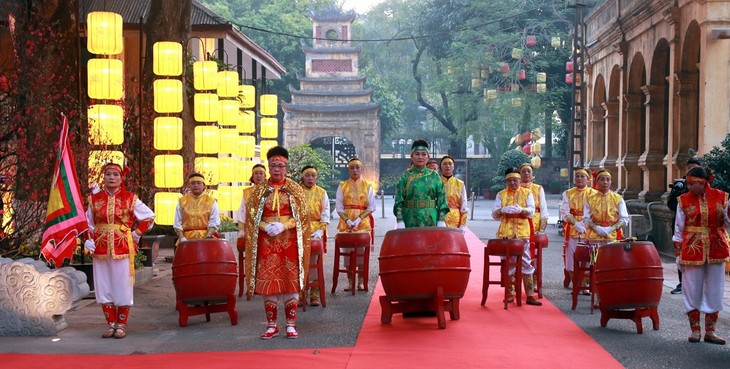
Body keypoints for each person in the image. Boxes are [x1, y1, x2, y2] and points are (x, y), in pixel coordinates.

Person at [243, 146, 310, 340]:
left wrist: (285, 225)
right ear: (268, 166)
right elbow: (252, 216)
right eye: (273, 165)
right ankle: (272, 325)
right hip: (267, 242)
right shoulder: (260, 191)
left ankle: (290, 324)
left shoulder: (295, 189)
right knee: (269, 282)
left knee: (290, 280)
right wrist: (265, 226)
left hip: (289, 242)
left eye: (281, 166)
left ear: (286, 167)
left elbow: (303, 217)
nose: (277, 169)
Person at [84, 162, 155, 339]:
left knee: (122, 284)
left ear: (121, 178)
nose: (111, 178)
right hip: (99, 246)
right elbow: (88, 223)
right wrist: (88, 240)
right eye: (108, 174)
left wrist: (137, 233)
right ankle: (111, 324)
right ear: (103, 177)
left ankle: (121, 324)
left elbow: (149, 216)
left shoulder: (130, 198)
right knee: (103, 284)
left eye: (115, 175)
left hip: (122, 244)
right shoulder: (95, 199)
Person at [672, 166, 729, 345]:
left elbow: (728, 222)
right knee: (691, 288)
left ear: (703, 182)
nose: (688, 187)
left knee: (715, 289)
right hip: (691, 248)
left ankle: (710, 331)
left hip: (716, 247)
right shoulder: (683, 200)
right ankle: (695, 330)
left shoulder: (722, 197)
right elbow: (678, 229)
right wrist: (678, 252)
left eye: (692, 183)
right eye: (687, 183)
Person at [492, 167, 541, 306]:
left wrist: (521, 210)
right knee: (508, 262)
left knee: (526, 261)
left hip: (522, 233)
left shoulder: (527, 193)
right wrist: (502, 210)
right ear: (506, 182)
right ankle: (508, 293)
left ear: (519, 180)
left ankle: (530, 294)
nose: (512, 183)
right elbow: (494, 214)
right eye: (509, 181)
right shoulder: (501, 194)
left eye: (515, 180)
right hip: (506, 233)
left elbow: (531, 211)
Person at [335, 157, 376, 291]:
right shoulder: (342, 186)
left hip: (362, 223)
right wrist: (347, 220)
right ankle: (350, 280)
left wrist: (358, 219)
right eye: (352, 168)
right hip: (346, 224)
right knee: (348, 254)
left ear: (361, 169)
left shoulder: (367, 186)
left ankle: (361, 281)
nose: (355, 170)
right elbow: (339, 207)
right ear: (348, 170)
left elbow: (371, 207)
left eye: (357, 167)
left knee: (361, 253)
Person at [393, 139, 449, 229]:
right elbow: (399, 200)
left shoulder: (434, 176)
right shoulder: (405, 176)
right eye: (417, 154)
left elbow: (442, 200)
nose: (420, 157)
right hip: (410, 219)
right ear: (412, 156)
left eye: (423, 154)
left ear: (428, 157)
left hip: (431, 218)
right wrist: (400, 221)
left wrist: (441, 220)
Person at [666, 157, 702, 295]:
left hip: (699, 226)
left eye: (694, 167)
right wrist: (677, 195)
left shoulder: (705, 184)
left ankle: (698, 283)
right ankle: (682, 283)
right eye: (689, 168)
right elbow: (671, 205)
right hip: (681, 224)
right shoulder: (680, 184)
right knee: (680, 253)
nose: (691, 170)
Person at [558, 168, 595, 288]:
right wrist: (576, 223)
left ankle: (586, 283)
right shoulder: (568, 193)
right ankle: (576, 282)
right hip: (573, 228)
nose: (579, 179)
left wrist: (585, 224)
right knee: (572, 255)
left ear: (588, 179)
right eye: (577, 176)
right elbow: (564, 212)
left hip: (589, 229)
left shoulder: (593, 194)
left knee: (589, 256)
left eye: (582, 176)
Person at [235, 164, 266, 299]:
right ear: (252, 176)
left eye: (261, 173)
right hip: (251, 229)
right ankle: (251, 286)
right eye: (256, 173)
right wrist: (241, 230)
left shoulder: (270, 191)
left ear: (265, 176)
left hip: (266, 228)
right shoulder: (246, 192)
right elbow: (242, 212)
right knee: (251, 257)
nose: (258, 176)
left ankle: (265, 284)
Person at [300, 165, 330, 306]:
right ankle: (300, 293)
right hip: (299, 230)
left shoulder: (322, 193)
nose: (310, 178)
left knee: (314, 263)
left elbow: (325, 214)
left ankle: (314, 293)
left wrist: (320, 230)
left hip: (316, 231)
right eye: (307, 175)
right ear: (302, 177)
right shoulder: (296, 192)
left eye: (313, 175)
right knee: (298, 262)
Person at [583, 170, 629, 244]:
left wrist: (610, 228)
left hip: (613, 236)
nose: (605, 182)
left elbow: (624, 219)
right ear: (597, 181)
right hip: (593, 236)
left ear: (610, 182)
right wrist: (597, 228)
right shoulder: (590, 199)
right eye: (602, 179)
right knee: (594, 255)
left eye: (608, 180)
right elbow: (586, 218)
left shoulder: (618, 198)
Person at [173, 173, 220, 243]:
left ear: (204, 185)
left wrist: (208, 235)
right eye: (193, 183)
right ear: (189, 186)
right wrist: (182, 238)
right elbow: (177, 222)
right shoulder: (182, 201)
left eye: (199, 183)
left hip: (206, 238)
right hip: (186, 239)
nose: (196, 185)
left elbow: (214, 221)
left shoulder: (211, 201)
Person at [439, 155, 468, 233]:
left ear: (453, 166)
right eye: (445, 164)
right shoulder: (436, 182)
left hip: (455, 219)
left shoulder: (460, 183)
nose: (447, 166)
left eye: (450, 164)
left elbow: (464, 205)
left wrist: (463, 224)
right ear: (441, 167)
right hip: (439, 219)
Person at [520, 163, 549, 232]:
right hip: (520, 222)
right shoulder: (516, 188)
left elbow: (543, 207)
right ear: (520, 175)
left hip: (535, 222)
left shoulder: (538, 188)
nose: (526, 173)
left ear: (532, 174)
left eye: (528, 171)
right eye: (523, 171)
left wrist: (542, 227)